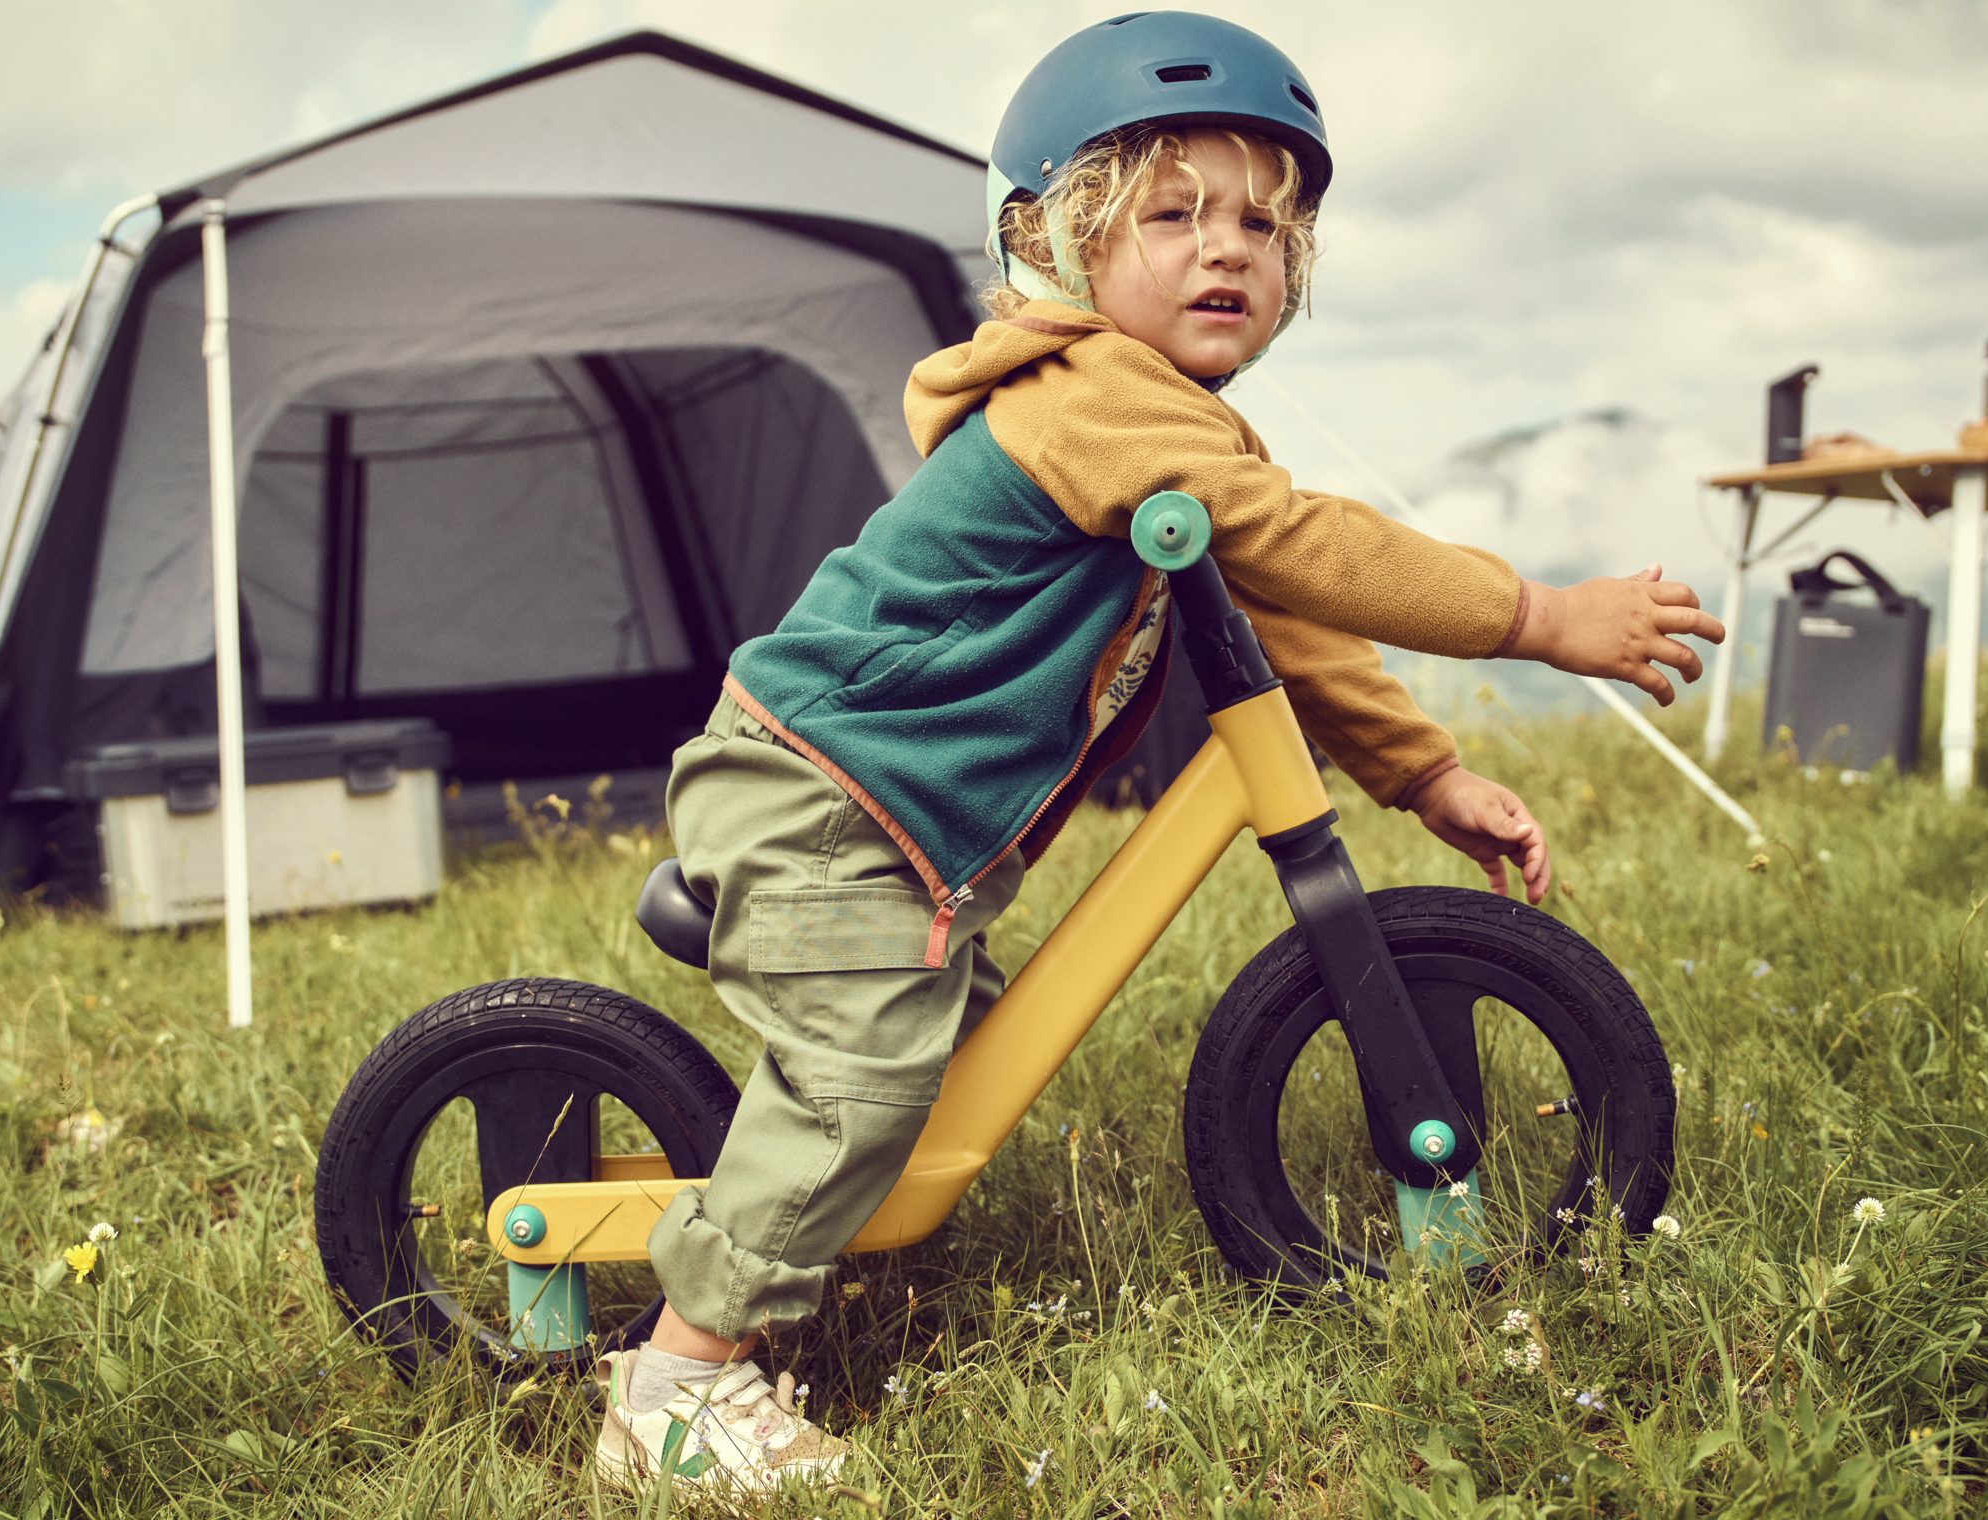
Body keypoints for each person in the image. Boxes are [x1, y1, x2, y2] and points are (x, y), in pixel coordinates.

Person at [589, 12, 1722, 1493]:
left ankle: (807, 1226)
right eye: (1172, 215)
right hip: (820, 799)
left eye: (1263, 224)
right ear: (1055, 241)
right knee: (861, 1081)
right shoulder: (1090, 397)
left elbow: (1284, 609)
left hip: (890, 812)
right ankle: (677, 1384)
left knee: (926, 1065)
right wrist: (1544, 616)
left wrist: (1424, 774)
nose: (1226, 249)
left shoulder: (1169, 430)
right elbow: (1308, 544)